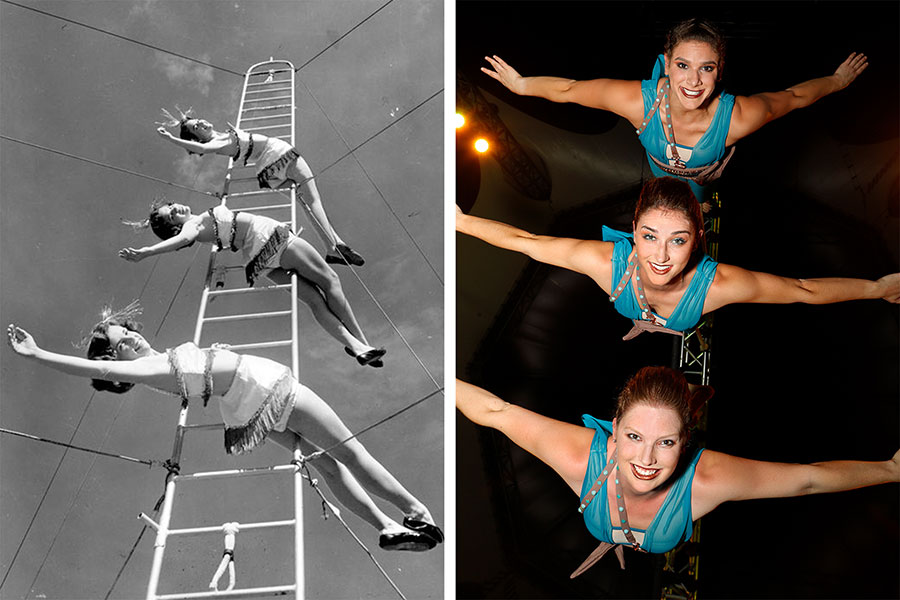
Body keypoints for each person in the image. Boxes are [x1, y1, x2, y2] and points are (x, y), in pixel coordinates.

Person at [5, 312, 443, 552]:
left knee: (329, 466)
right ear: (116, 358)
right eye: (121, 342)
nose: (130, 341)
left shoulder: (162, 360)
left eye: (129, 333)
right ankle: (416, 511)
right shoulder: (140, 368)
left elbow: (194, 374)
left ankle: (386, 525)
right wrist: (37, 354)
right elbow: (97, 367)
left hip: (248, 407)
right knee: (350, 452)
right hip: (264, 388)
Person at [456, 367, 899, 572]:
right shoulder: (579, 457)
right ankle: (683, 394)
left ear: (684, 444)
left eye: (665, 443)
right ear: (613, 431)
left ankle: (689, 397)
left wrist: (891, 469)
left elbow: (807, 479)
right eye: (633, 438)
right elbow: (496, 410)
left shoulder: (707, 479)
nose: (646, 461)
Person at [481, 18, 868, 205]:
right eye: (683, 65)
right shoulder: (637, 102)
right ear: (666, 64)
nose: (694, 82)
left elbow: (794, 96)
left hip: (701, 180)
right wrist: (521, 85)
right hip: (657, 169)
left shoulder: (738, 118)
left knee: (693, 202)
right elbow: (569, 90)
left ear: (719, 72)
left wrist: (836, 81)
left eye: (707, 68)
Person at [456, 177, 899, 339]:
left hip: (683, 315)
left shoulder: (719, 285)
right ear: (634, 234)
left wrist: (878, 288)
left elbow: (803, 290)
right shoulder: (605, 261)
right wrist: (459, 222)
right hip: (635, 310)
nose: (662, 256)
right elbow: (525, 240)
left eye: (678, 240)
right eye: (649, 237)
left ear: (697, 241)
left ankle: (701, 194)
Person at [120, 200, 386, 367]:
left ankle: (357, 347)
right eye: (171, 216)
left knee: (316, 302)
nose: (176, 209)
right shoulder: (194, 226)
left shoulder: (200, 225)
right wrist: (147, 252)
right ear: (174, 226)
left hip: (261, 262)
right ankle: (361, 343)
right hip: (270, 238)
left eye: (172, 206)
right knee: (331, 281)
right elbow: (178, 241)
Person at [156, 106, 364, 266]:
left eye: (197, 121)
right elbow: (199, 147)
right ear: (197, 137)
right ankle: (333, 246)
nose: (200, 124)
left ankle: (334, 245)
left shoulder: (220, 136)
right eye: (195, 128)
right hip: (277, 156)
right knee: (313, 199)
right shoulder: (213, 143)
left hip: (271, 165)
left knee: (306, 202)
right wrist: (173, 139)